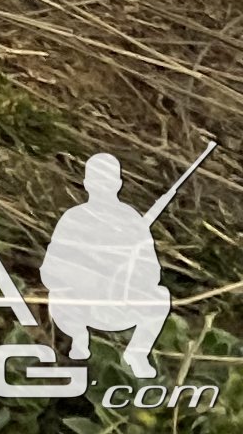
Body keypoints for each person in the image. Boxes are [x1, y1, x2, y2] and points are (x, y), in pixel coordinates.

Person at [41, 154, 172, 378]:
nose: (103, 188)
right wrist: (87, 274)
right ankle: (79, 338)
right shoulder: (73, 218)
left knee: (160, 296)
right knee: (57, 296)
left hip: (121, 305)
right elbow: (50, 270)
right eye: (97, 182)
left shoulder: (131, 219)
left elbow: (152, 272)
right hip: (81, 307)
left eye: (108, 182)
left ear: (118, 184)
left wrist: (127, 271)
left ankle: (137, 353)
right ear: (87, 184)